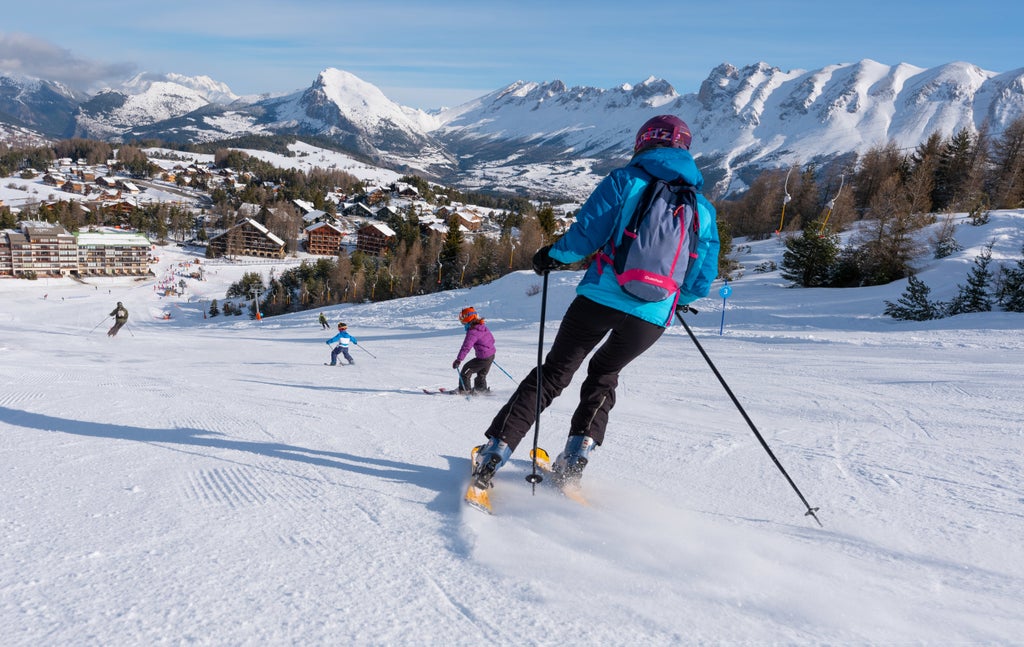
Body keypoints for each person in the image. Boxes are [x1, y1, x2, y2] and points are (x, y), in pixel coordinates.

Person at [470, 114, 720, 491]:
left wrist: (551, 256)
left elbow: (585, 237)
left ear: (643, 142)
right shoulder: (702, 208)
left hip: (599, 299)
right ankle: (575, 458)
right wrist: (675, 298)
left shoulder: (625, 180)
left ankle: (495, 452)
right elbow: (701, 277)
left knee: (554, 374)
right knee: (604, 375)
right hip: (650, 317)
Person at [452, 307, 496, 394]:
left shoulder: (472, 331)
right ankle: (481, 390)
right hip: (490, 356)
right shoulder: (482, 327)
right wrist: (488, 352)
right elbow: (492, 340)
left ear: (468, 317)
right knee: (481, 374)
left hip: (484, 358)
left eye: (463, 317)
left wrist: (458, 360)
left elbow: (466, 347)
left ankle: (464, 390)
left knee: (466, 371)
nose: (461, 320)